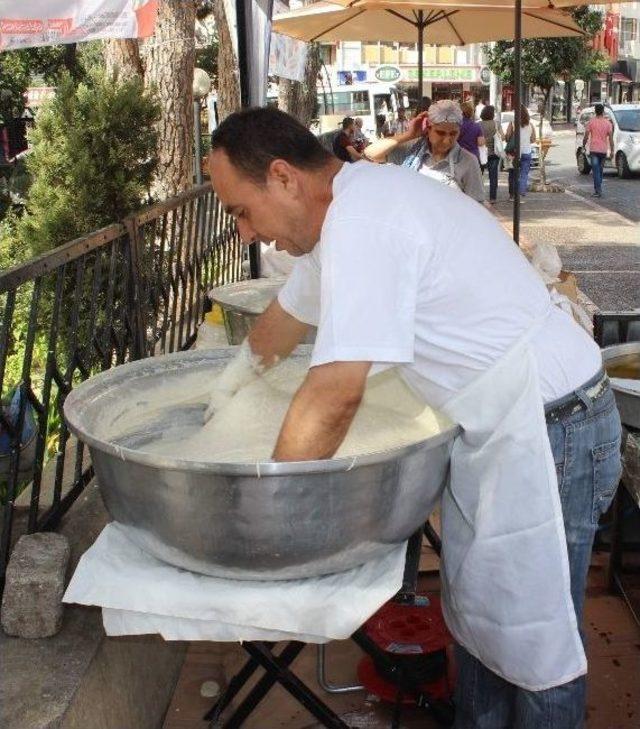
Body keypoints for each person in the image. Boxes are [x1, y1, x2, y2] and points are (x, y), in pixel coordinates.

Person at [207, 107, 621, 729]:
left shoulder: (365, 219)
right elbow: (282, 324)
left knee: (538, 639)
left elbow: (335, 393)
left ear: (283, 177)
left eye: (240, 210)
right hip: (504, 426)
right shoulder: (347, 212)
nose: (245, 233)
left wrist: (270, 516)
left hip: (554, 426)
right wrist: (220, 399)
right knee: (483, 616)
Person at [365, 99, 485, 203]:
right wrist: (409, 135)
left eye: (453, 133)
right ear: (428, 127)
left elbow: (476, 207)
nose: (447, 140)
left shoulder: (468, 161)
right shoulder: (410, 151)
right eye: (440, 133)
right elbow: (371, 154)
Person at [583, 103, 614, 198]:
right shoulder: (608, 123)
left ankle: (598, 190)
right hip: (603, 150)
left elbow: (586, 136)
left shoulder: (591, 122)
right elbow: (611, 139)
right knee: (600, 170)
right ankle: (598, 188)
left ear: (595, 111)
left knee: (596, 170)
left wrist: (583, 144)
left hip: (594, 150)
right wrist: (612, 150)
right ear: (603, 111)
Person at [506, 106, 536, 201]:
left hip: (514, 153)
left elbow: (507, 136)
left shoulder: (513, 123)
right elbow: (533, 139)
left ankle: (512, 195)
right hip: (526, 152)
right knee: (524, 174)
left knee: (512, 174)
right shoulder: (530, 125)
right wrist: (525, 140)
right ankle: (521, 192)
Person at [479, 105, 503, 204]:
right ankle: (493, 198)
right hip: (494, 153)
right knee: (493, 177)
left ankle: (479, 195)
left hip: (482, 153)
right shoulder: (496, 124)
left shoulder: (478, 125)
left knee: (479, 176)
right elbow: (503, 136)